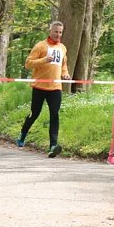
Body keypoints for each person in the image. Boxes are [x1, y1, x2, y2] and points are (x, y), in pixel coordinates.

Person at [16, 21, 71, 157]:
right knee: (34, 113)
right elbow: (28, 64)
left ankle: (53, 146)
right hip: (39, 87)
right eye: (55, 31)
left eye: (60, 32)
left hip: (55, 88)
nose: (58, 34)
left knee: (55, 114)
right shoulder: (41, 46)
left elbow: (63, 64)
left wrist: (65, 73)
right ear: (50, 31)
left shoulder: (62, 48)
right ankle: (23, 134)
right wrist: (44, 60)